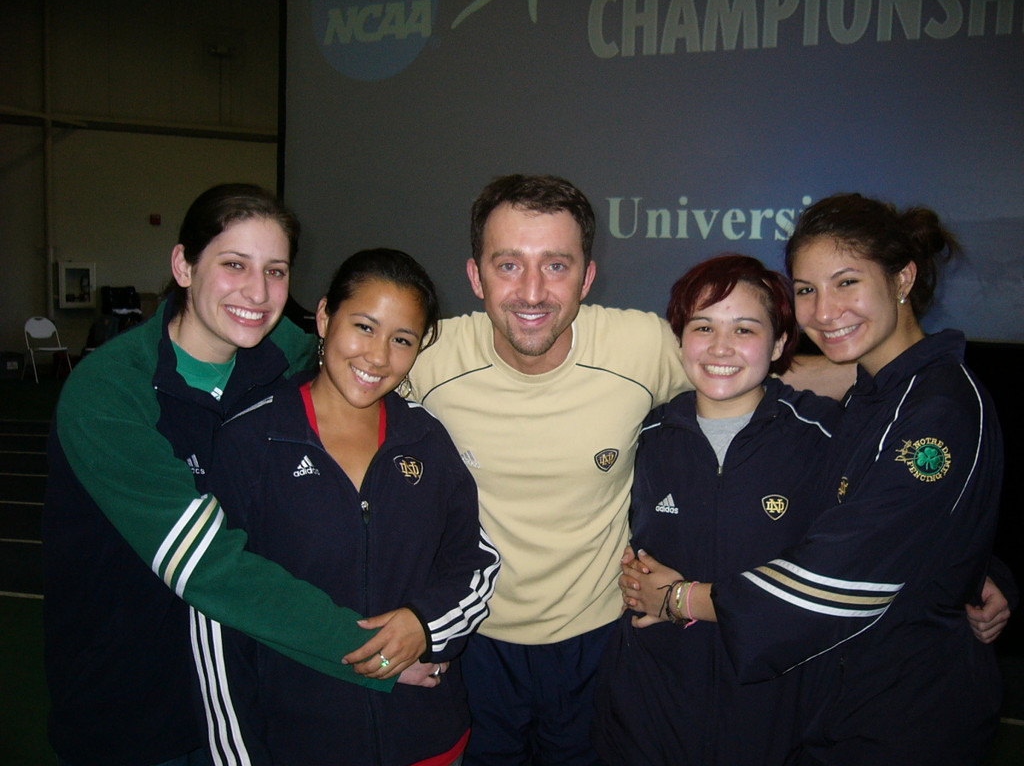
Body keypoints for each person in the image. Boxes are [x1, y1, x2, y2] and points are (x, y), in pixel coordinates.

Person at [620, 193, 1005, 764]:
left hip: (903, 716)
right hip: (836, 704)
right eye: (806, 290)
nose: (825, 311)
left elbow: (844, 574)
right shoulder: (875, 398)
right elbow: (909, 519)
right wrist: (978, 572)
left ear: (902, 278)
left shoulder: (936, 407)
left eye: (846, 282)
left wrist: (680, 598)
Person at [43, 185, 413, 766]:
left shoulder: (294, 359)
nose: (258, 293)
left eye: (276, 270)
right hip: (136, 708)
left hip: (255, 700)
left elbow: (387, 357)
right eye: (234, 265)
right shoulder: (109, 392)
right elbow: (205, 564)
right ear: (183, 266)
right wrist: (375, 652)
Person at [405, 174, 693, 765]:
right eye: (508, 265)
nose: (531, 292)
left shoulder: (640, 346)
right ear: (475, 276)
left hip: (600, 638)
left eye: (556, 266)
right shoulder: (428, 355)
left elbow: (750, 375)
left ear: (587, 277)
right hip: (472, 640)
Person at [192, 248, 500, 766]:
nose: (378, 356)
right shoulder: (253, 441)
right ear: (323, 317)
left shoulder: (424, 437)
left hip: (426, 735)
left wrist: (425, 626)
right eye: (363, 326)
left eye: (401, 340)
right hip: (298, 742)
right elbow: (216, 617)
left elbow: (475, 562)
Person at [592, 254, 841, 765]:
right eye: (703, 326)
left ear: (777, 345)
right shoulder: (643, 436)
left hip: (776, 715)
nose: (720, 347)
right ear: (680, 338)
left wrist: (983, 574)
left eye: (744, 329)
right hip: (651, 715)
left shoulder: (823, 436)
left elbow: (891, 525)